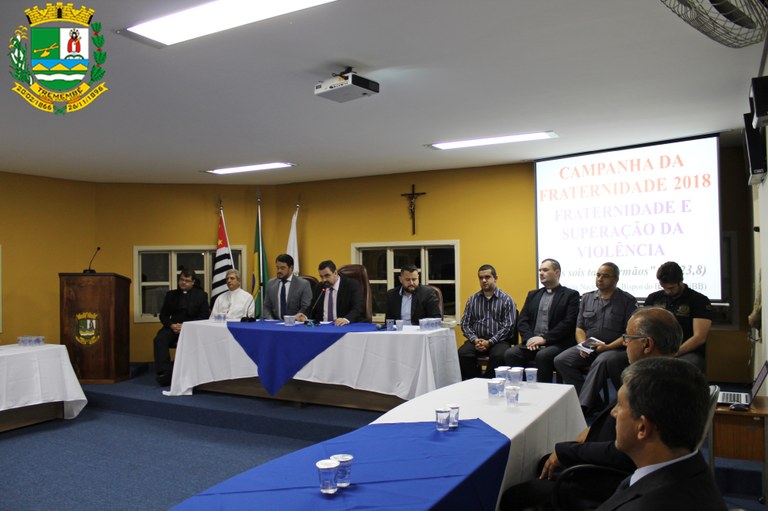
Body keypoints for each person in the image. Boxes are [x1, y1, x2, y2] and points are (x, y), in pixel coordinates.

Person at [500, 307, 684, 511]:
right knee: (542, 462)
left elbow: (623, 450)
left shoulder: (649, 388)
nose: (624, 343)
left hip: (604, 479)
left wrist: (567, 450)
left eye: (628, 337)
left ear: (647, 344)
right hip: (607, 461)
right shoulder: (672, 376)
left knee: (513, 496)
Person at [597, 357, 727, 511]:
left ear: (642, 428)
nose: (613, 412)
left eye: (619, 405)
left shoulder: (648, 505)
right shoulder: (693, 469)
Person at [554, 263, 637, 413]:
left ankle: (583, 406)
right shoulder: (587, 298)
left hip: (614, 348)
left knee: (601, 361)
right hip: (589, 345)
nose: (600, 279)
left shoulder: (627, 301)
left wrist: (608, 347)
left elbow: (628, 333)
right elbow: (579, 328)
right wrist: (583, 345)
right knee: (561, 360)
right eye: (598, 275)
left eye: (605, 276)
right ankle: (595, 402)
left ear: (616, 279)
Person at [504, 259, 579, 383]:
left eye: (545, 270)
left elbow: (568, 323)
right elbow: (522, 320)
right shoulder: (533, 294)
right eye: (540, 270)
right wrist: (529, 339)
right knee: (511, 353)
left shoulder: (570, 295)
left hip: (557, 343)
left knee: (543, 356)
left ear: (557, 272)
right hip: (532, 343)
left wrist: (544, 339)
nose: (541, 273)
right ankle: (520, 387)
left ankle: (545, 390)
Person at [641, 261, 713, 373]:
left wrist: (674, 354)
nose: (668, 291)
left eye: (671, 288)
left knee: (682, 367)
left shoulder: (699, 300)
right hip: (657, 349)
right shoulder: (653, 298)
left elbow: (699, 337)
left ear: (681, 281)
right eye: (664, 287)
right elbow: (642, 326)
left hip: (687, 351)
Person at [457, 264, 517, 380]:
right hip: (477, 340)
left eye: (487, 277)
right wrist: (475, 340)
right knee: (463, 353)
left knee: (499, 355)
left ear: (495, 278)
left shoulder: (506, 299)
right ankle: (475, 381)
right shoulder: (472, 299)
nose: (484, 280)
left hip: (499, 341)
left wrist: (490, 342)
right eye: (481, 278)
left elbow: (508, 326)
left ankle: (488, 381)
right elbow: (465, 324)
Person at [153, 269, 210, 386]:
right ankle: (165, 372)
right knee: (159, 339)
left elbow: (205, 316)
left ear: (193, 282)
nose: (183, 282)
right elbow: (163, 315)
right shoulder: (171, 295)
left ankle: (187, 373)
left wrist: (186, 326)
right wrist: (171, 325)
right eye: (182, 280)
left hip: (191, 329)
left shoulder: (201, 295)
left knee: (192, 343)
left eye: (187, 281)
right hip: (173, 327)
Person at [296, 260, 365, 325]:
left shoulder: (351, 285)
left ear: (335, 273)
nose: (324, 280)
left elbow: (358, 308)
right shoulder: (319, 287)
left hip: (342, 326)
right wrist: (304, 315)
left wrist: (346, 319)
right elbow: (312, 307)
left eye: (327, 276)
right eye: (321, 277)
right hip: (322, 327)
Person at [263, 253, 312, 320]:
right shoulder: (271, 283)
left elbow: (306, 307)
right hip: (275, 322)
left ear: (291, 268)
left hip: (295, 322)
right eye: (277, 268)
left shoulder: (303, 284)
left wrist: (294, 319)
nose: (279, 271)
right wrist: (270, 321)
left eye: (282, 268)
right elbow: (267, 306)